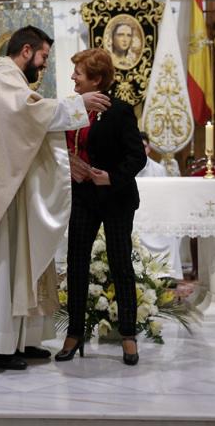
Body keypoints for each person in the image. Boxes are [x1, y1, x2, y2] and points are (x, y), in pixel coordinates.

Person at [0, 26, 111, 371]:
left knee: (13, 267)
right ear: (26, 51)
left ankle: (16, 339)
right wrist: (77, 104)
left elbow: (26, 128)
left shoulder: (5, 82)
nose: (42, 67)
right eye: (42, 57)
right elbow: (29, 115)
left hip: (6, 189)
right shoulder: (1, 81)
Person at [57, 48, 146, 366]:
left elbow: (137, 156)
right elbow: (62, 146)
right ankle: (74, 332)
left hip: (117, 198)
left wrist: (111, 177)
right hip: (83, 198)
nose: (73, 78)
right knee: (77, 265)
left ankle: (128, 336)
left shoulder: (120, 111)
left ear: (96, 79)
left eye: (78, 73)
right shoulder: (72, 109)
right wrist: (69, 163)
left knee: (121, 265)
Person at [135, 132, 183, 280]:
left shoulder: (159, 169)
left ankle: (167, 273)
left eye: (143, 146)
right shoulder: (126, 167)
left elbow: (164, 197)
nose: (141, 149)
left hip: (155, 215)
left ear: (148, 148)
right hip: (134, 214)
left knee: (170, 233)